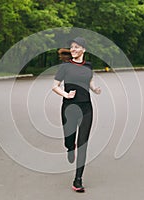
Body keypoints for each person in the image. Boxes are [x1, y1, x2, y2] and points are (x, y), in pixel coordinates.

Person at [52, 37, 101, 192]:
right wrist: (66, 95)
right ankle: (69, 147)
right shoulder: (65, 66)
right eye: (72, 47)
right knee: (69, 138)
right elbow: (55, 86)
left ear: (83, 50)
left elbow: (90, 81)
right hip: (69, 108)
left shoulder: (88, 65)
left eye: (77, 47)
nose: (73, 49)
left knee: (83, 144)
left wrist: (95, 89)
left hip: (86, 108)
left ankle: (78, 179)